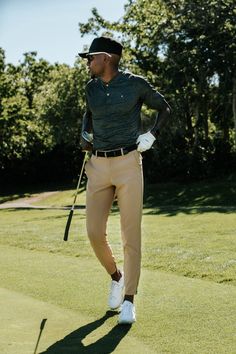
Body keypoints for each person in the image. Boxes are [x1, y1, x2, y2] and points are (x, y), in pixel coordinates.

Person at [79, 36, 171, 324]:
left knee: (131, 236)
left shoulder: (135, 84)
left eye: (90, 57)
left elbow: (165, 107)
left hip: (128, 162)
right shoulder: (91, 88)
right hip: (98, 165)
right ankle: (116, 277)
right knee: (94, 232)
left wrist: (152, 134)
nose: (87, 62)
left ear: (106, 58)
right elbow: (88, 116)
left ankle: (129, 300)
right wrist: (85, 134)